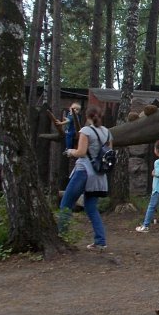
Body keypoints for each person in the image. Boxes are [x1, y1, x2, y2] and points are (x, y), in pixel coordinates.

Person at [58, 105, 112, 250]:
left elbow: (81, 152)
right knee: (91, 207)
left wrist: (70, 151)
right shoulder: (107, 132)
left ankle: (60, 237)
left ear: (88, 117)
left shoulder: (85, 131)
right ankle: (100, 241)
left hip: (83, 172)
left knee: (65, 204)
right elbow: (109, 153)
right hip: (99, 176)